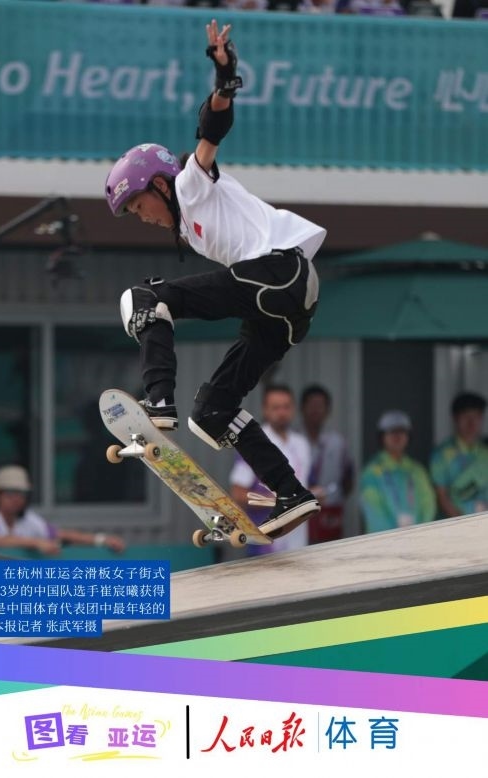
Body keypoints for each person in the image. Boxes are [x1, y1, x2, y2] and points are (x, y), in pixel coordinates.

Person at [104, 20, 325, 540]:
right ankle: (290, 492)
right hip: (286, 308)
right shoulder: (192, 228)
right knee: (212, 411)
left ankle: (159, 401)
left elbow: (211, 131)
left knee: (143, 297)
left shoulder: (190, 183)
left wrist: (225, 77)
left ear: (160, 186)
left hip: (280, 274)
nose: (144, 217)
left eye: (140, 205)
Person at [0, 466, 126, 555]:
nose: (17, 499)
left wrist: (101, 540)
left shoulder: (27, 518)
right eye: (10, 493)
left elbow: (60, 535)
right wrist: (36, 542)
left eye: (21, 493)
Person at [229, 384, 312, 554]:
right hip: (266, 541)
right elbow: (238, 493)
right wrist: (276, 500)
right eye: (275, 407)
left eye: (286, 407)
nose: (281, 412)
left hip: (298, 540)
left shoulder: (302, 444)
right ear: (265, 410)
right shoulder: (254, 443)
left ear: (294, 409)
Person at [360, 411, 436, 534]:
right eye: (391, 431)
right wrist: (396, 537)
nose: (397, 436)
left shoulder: (417, 470)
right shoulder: (371, 472)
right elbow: (374, 513)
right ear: (382, 437)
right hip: (384, 540)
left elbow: (428, 505)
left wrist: (420, 533)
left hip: (418, 538)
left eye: (402, 431)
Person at [300, 384, 354, 543]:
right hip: (299, 513)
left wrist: (333, 496)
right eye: (311, 405)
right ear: (302, 408)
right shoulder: (293, 440)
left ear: (328, 410)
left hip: (329, 513)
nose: (315, 410)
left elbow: (348, 478)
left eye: (320, 406)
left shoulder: (338, 442)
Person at [430, 392, 488, 518]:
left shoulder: (485, 452)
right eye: (466, 416)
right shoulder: (441, 455)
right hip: (456, 524)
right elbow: (441, 496)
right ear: (455, 418)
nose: (471, 423)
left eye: (476, 416)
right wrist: (463, 525)